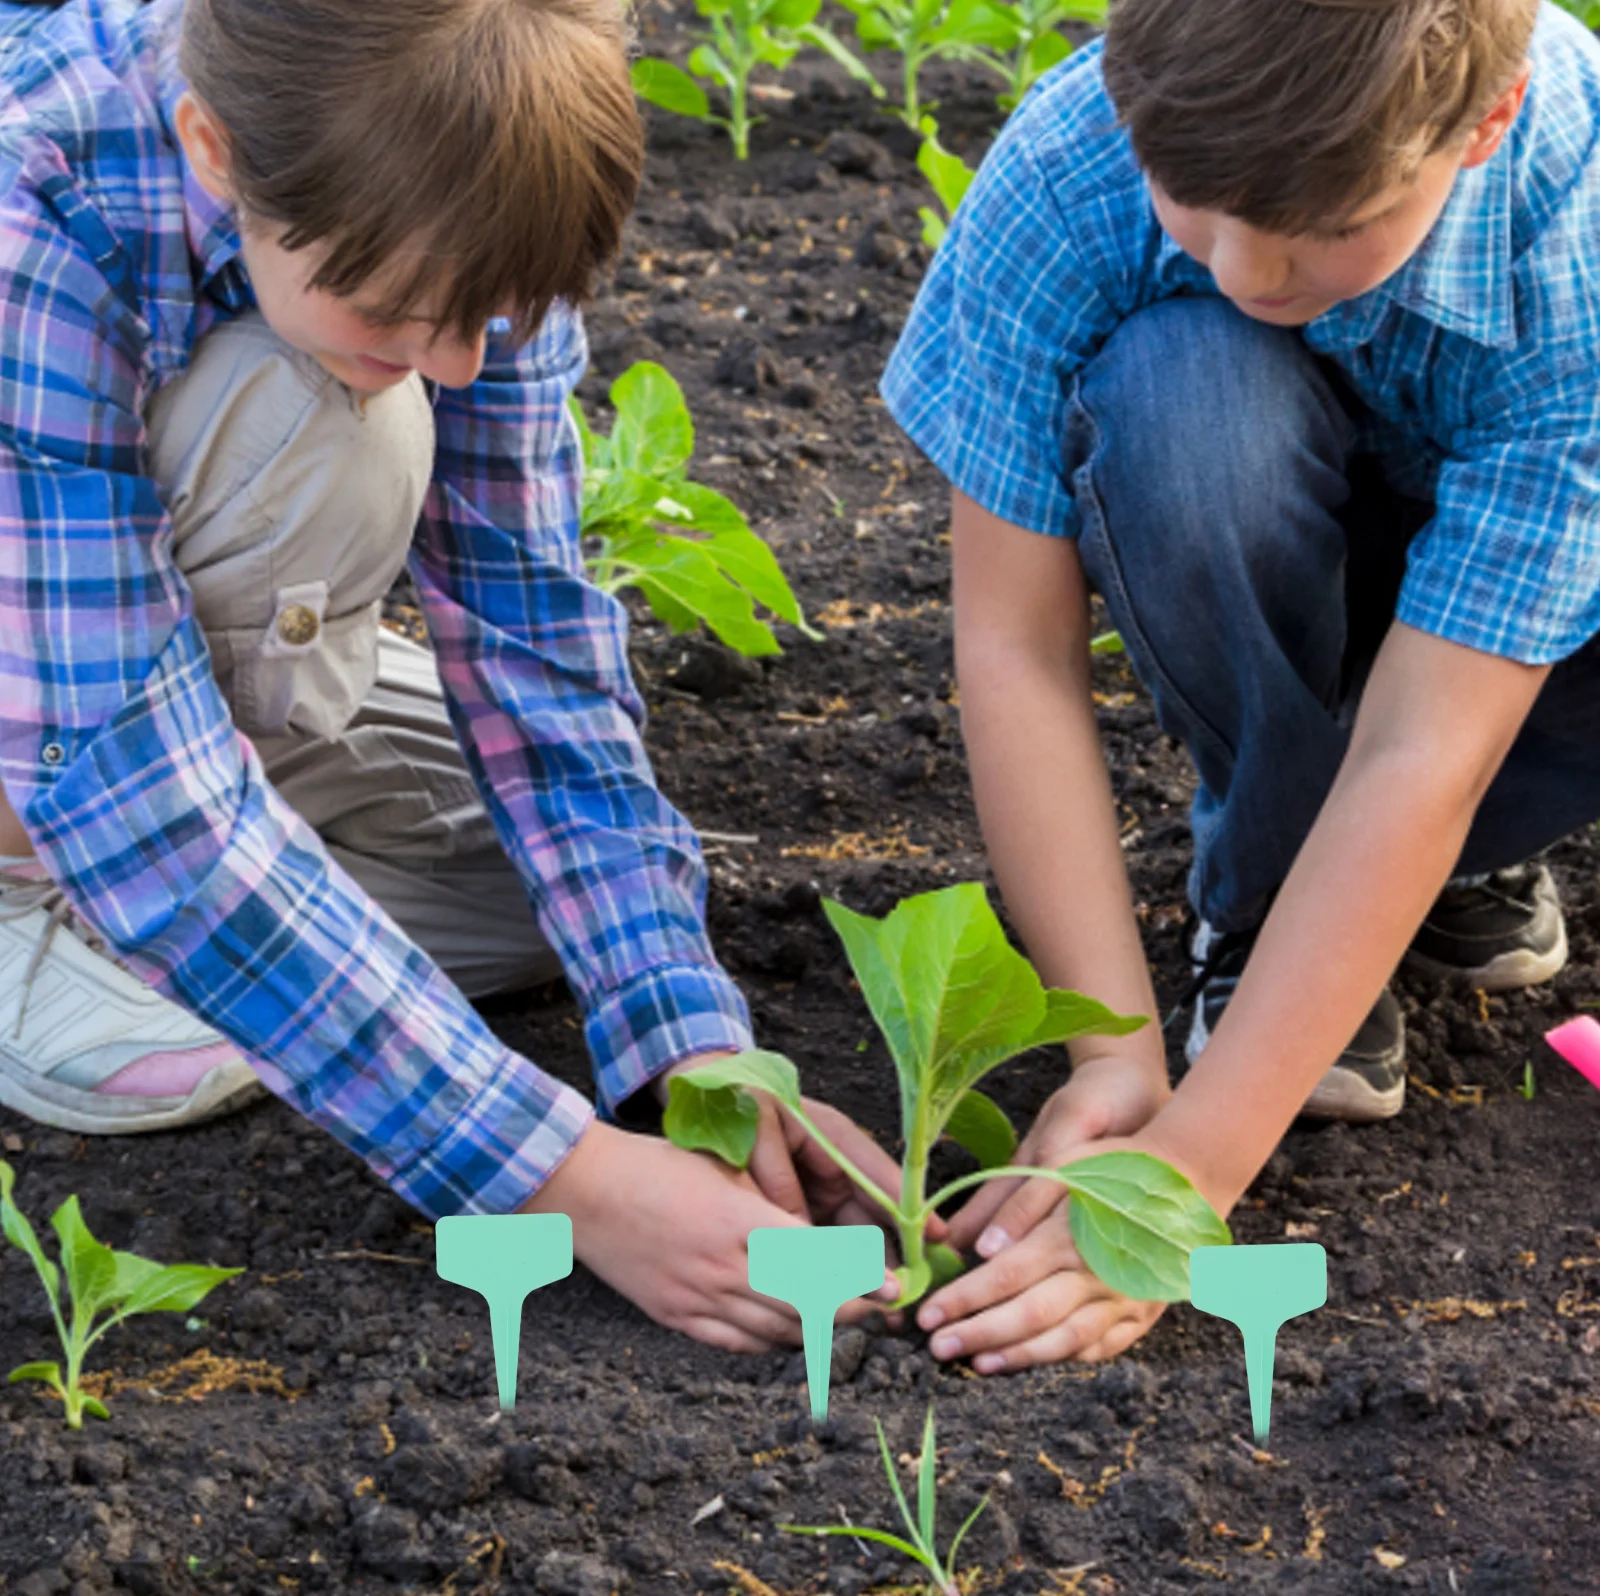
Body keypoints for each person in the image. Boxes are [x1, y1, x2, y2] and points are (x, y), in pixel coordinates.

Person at [0, 0, 905, 1354]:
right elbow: (122, 773)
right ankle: (34, 885)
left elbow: (527, 623)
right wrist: (566, 1181)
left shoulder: (474, 155)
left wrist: (688, 1047)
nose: (457, 366)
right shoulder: (39, 203)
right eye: (398, 312)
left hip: (113, 656)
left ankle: (206, 866)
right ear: (213, 147)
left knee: (554, 915)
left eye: (490, 318)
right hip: (59, 705)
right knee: (311, 419)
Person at [879, 0, 1600, 1375]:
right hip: (1277, 535)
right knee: (1181, 389)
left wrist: (1190, 1175)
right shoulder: (1073, 164)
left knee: (1446, 769)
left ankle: (1453, 870)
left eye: (1329, 224)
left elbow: (1421, 751)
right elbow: (1017, 654)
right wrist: (1111, 1053)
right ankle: (1274, 903)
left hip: (1519, 646)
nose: (1243, 265)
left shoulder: (1578, 220)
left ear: (1481, 122)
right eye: (1193, 207)